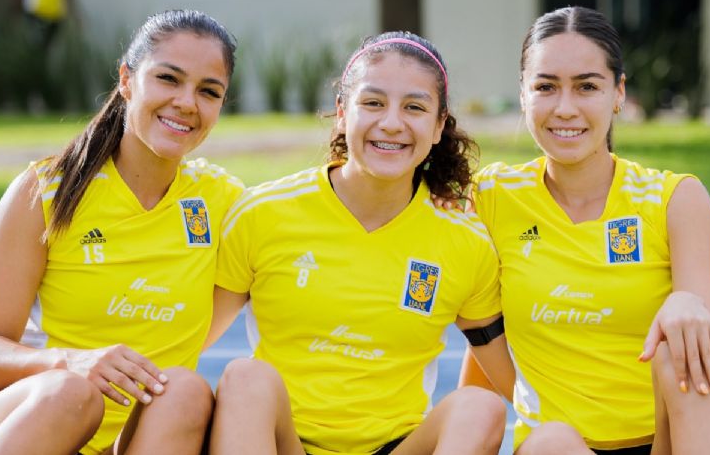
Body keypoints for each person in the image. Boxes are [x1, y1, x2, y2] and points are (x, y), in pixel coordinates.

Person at [0, 9, 242, 455]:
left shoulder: (225, 204)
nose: (186, 103)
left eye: (208, 91)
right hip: (27, 421)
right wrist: (72, 362)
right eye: (168, 79)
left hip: (133, 439)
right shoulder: (45, 190)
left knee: (186, 390)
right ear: (126, 79)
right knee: (72, 394)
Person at [459, 6, 710, 454]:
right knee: (552, 442)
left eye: (587, 87)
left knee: (682, 345)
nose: (565, 108)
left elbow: (707, 362)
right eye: (545, 87)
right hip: (557, 447)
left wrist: (686, 301)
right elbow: (479, 329)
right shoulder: (491, 197)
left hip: (670, 440)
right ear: (522, 95)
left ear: (618, 93)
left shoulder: (676, 199)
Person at [207, 32, 515, 455]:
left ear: (439, 125)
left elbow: (510, 377)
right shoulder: (263, 213)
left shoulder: (465, 239)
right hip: (285, 443)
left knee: (480, 408)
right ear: (341, 113)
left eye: (414, 107)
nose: (391, 122)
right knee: (244, 377)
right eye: (373, 103)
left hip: (395, 446)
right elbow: (189, 338)